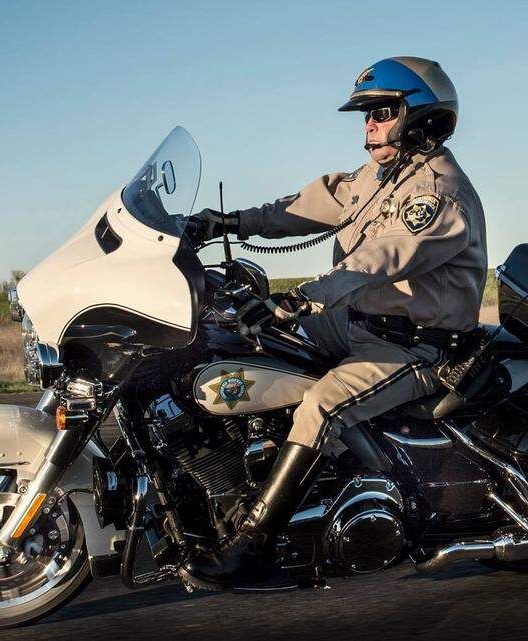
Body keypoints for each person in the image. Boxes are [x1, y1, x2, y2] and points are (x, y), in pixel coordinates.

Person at [180, 56, 487, 589]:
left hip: (414, 347)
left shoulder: (437, 192)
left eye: (381, 112)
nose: (368, 125)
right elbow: (302, 207)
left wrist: (301, 298)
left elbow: (381, 259)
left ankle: (253, 542)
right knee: (247, 340)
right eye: (365, 115)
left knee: (320, 405)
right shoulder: (376, 178)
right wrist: (222, 222)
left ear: (422, 118)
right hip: (360, 325)